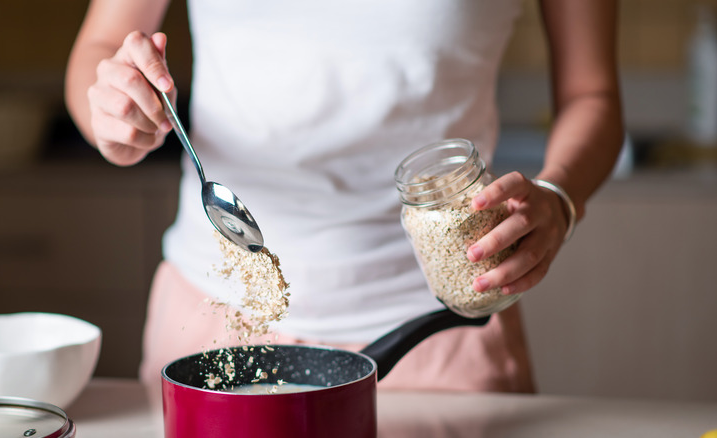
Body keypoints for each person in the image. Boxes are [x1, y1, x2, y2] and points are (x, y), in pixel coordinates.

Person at [65, 0, 623, 410]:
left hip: (439, 330)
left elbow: (592, 95)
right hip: (216, 320)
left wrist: (559, 196)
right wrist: (113, 108)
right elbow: (100, 46)